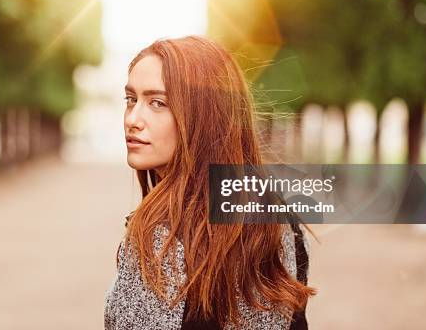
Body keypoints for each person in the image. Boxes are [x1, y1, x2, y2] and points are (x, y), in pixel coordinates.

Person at [104, 36, 316, 329]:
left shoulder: (161, 239)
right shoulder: (283, 222)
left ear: (203, 116)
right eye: (131, 99)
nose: (133, 119)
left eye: (157, 103)